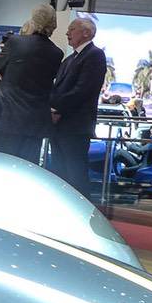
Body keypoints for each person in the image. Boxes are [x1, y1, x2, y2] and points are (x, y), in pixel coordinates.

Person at [0, 4, 63, 163]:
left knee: (0, 165)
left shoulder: (16, 42)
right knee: (27, 168)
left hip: (6, 118)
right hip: (35, 123)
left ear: (34, 19)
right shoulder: (56, 53)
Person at [46, 16, 108, 191]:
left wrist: (56, 109)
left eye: (72, 29)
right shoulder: (69, 59)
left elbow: (83, 90)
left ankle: (82, 207)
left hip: (75, 127)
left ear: (86, 33)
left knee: (76, 176)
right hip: (59, 127)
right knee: (59, 175)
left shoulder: (95, 55)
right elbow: (57, 88)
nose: (67, 33)